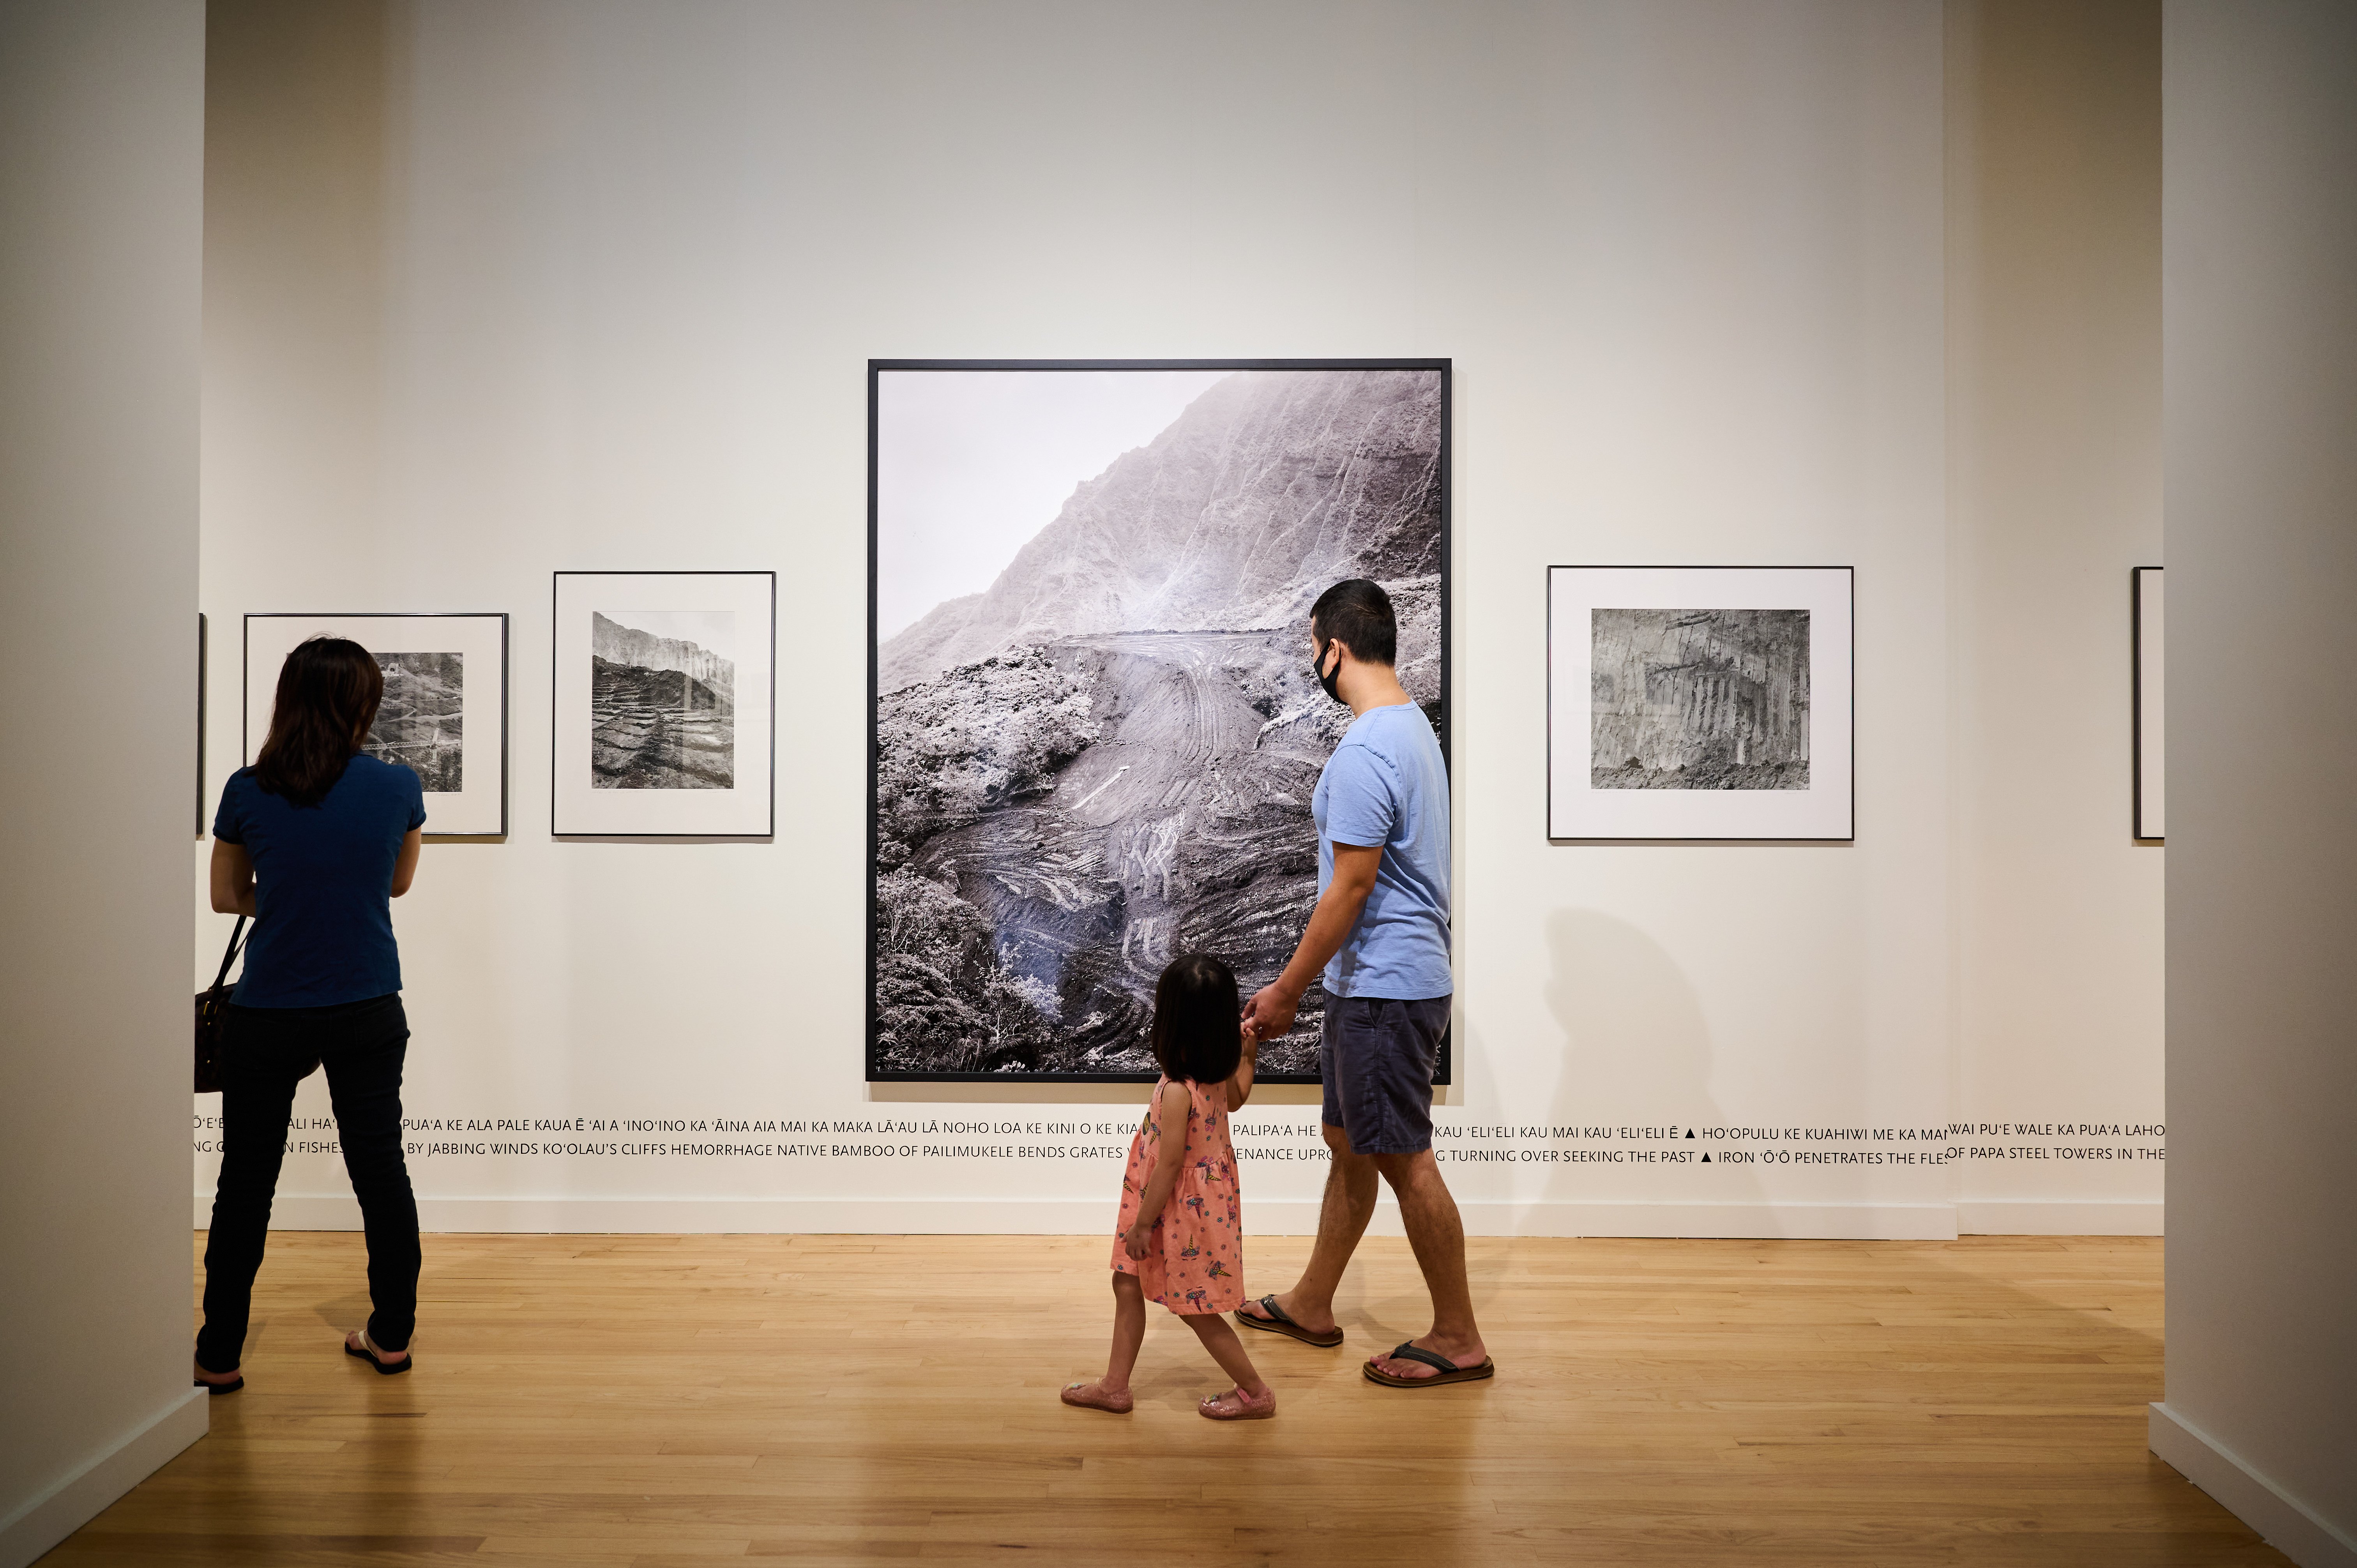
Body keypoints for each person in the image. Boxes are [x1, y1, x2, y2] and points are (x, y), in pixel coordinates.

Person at [1236, 579, 1493, 1388]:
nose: (1312, 658)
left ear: (1333, 649)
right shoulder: (1410, 728)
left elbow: (1349, 888)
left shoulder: (1365, 750)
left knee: (1406, 1157)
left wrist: (1283, 992)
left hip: (1383, 987)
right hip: (1386, 983)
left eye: (1312, 644)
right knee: (1352, 1143)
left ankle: (1458, 1336)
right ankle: (1314, 1300)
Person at [194, 637, 427, 1394]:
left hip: (269, 1011)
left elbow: (228, 898)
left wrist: (287, 893)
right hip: (366, 1003)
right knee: (380, 1168)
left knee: (247, 1181)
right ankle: (390, 1336)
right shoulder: (397, 787)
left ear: (287, 697)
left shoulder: (246, 787)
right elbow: (394, 884)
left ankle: (219, 1351)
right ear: (364, 702)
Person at [1062, 953, 1272, 1420]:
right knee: (1127, 1281)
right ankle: (1115, 1386)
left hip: (1174, 1208)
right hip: (1188, 1203)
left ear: (1170, 1022)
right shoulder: (1214, 1075)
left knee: (1198, 1307)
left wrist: (1142, 1225)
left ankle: (1257, 1392)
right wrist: (1249, 1056)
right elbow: (1237, 1099)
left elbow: (1171, 1165)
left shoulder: (1179, 1088)